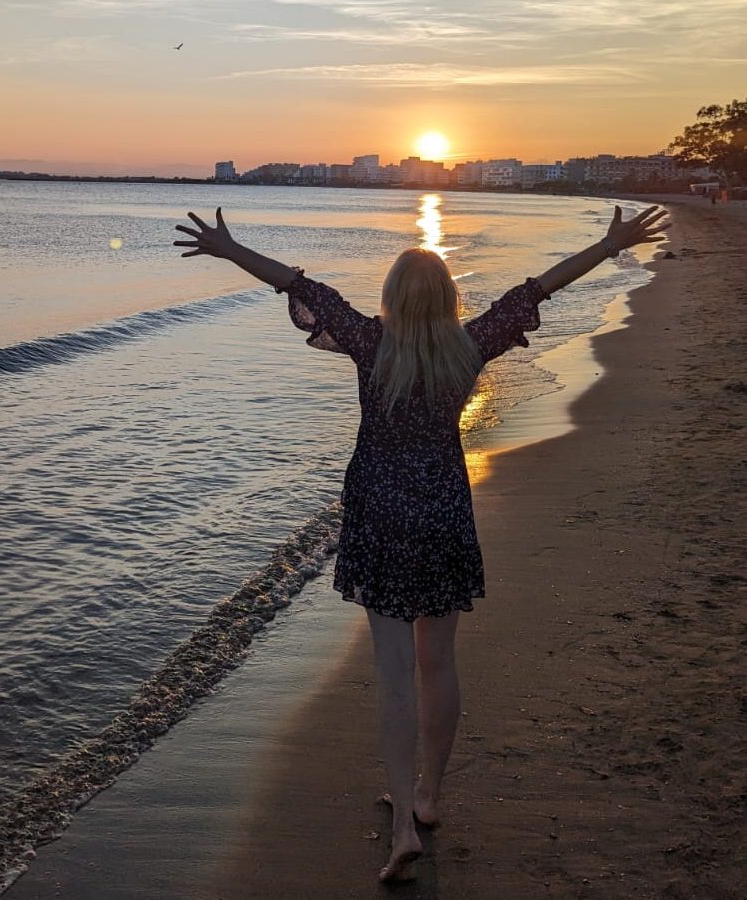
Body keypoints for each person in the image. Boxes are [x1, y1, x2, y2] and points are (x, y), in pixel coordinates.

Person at [173, 203, 668, 883]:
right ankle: (429, 796)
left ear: (391, 299)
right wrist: (610, 244)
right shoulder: (468, 345)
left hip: (379, 510)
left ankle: (403, 818)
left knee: (394, 673)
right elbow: (541, 287)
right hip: (441, 510)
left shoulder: (369, 342)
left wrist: (230, 249)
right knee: (439, 663)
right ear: (447, 299)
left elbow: (296, 285)